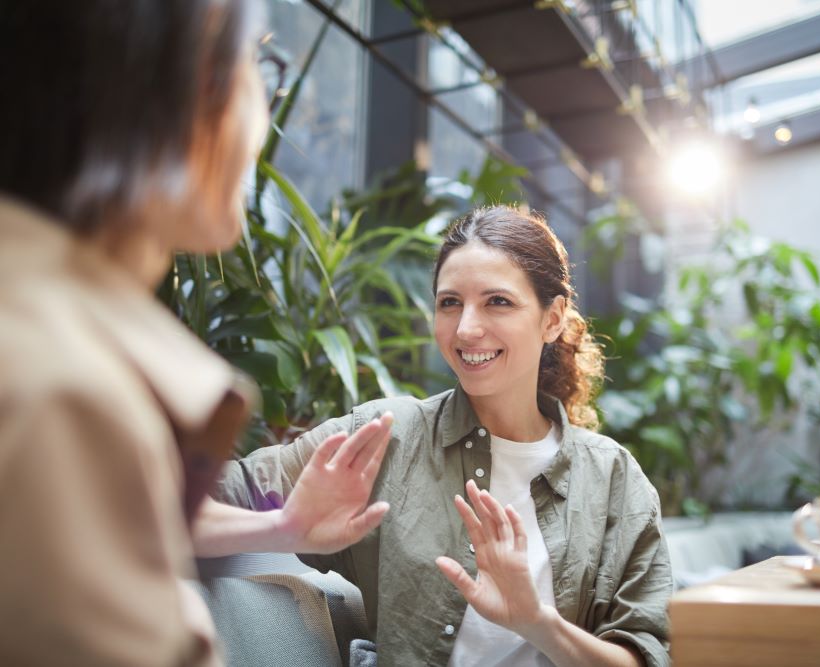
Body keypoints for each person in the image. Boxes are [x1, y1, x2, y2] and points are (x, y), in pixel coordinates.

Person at [0, 2, 392, 665]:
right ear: (177, 84)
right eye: (259, 65)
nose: (264, 113)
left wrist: (285, 526)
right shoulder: (67, 391)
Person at [211, 206, 672, 666]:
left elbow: (646, 655)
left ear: (552, 319)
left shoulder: (612, 479)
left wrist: (537, 622)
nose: (467, 329)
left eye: (498, 301)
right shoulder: (383, 440)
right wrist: (281, 527)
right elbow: (192, 497)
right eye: (450, 302)